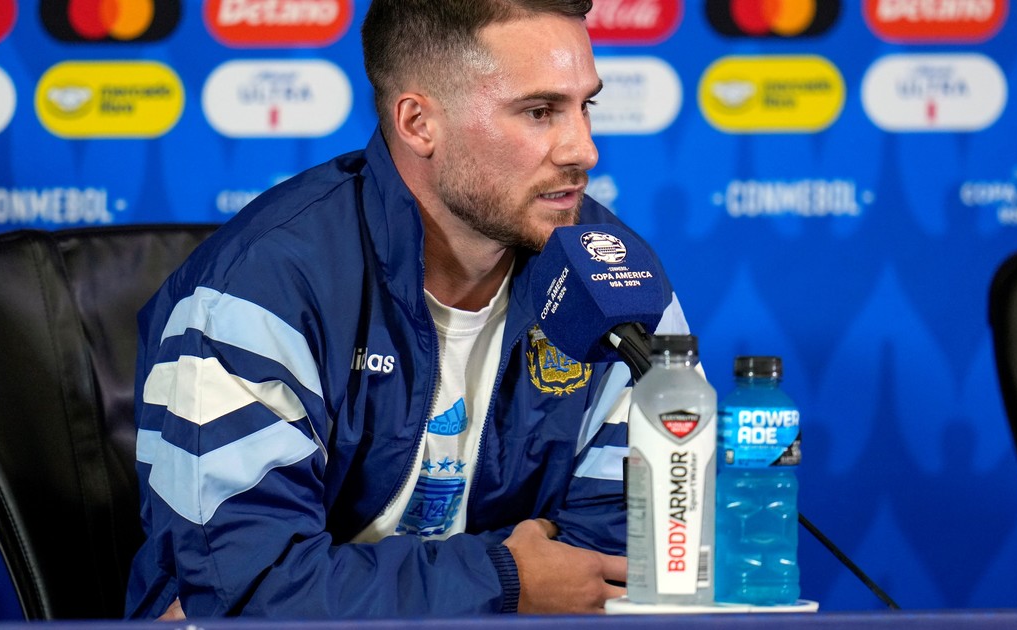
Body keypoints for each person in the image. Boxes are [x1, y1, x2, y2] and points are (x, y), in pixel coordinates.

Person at [126, 0, 690, 619]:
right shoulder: (260, 290)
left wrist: (363, 586)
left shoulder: (618, 280)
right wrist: (504, 581)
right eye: (539, 112)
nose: (583, 149)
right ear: (419, 123)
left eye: (587, 107)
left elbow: (616, 568)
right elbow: (245, 592)